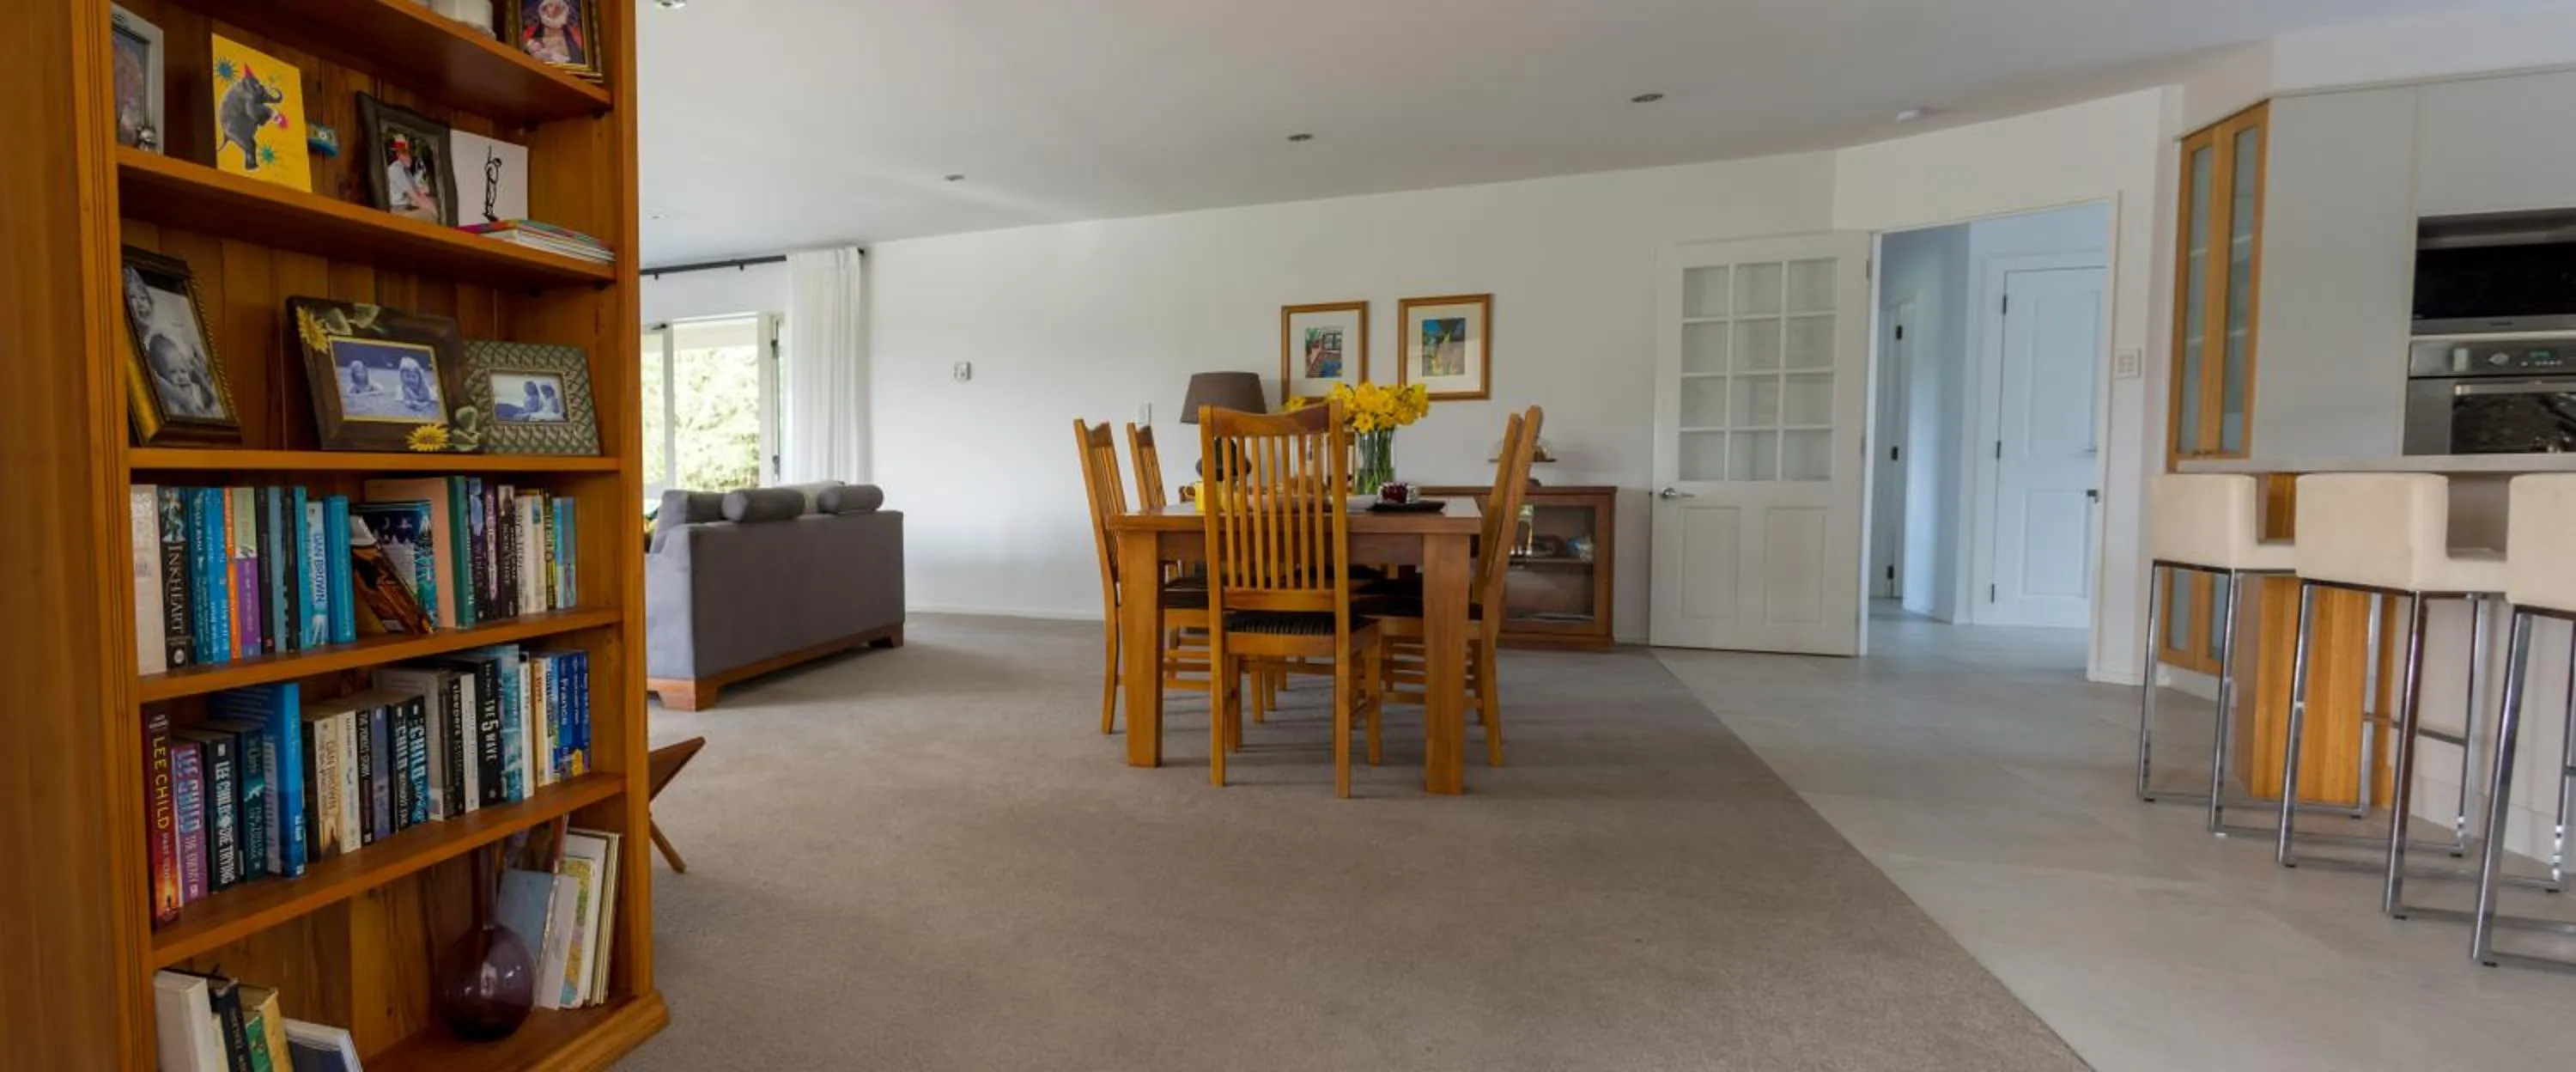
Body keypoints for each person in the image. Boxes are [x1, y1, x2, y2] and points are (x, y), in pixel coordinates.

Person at [384, 133, 440, 222]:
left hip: (406, 208)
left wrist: (432, 206)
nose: (409, 157)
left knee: (433, 202)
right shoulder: (395, 169)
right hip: (397, 211)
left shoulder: (406, 171)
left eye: (409, 153)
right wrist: (436, 214)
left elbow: (419, 193)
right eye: (404, 153)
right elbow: (415, 196)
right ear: (398, 155)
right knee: (429, 216)